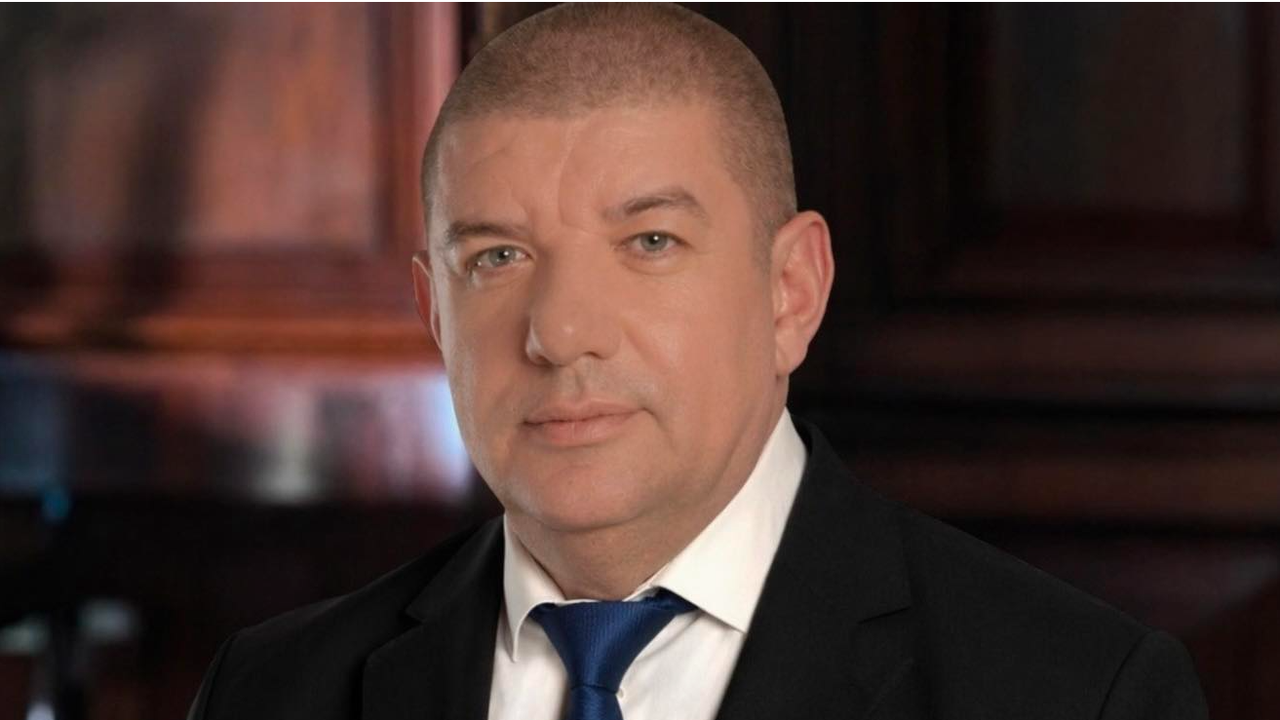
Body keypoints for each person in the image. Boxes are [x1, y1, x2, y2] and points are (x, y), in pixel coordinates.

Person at [188, 5, 1208, 719]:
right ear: (433, 314)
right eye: (496, 257)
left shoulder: (1075, 694)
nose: (560, 333)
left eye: (649, 242)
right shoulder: (269, 693)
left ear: (790, 292)